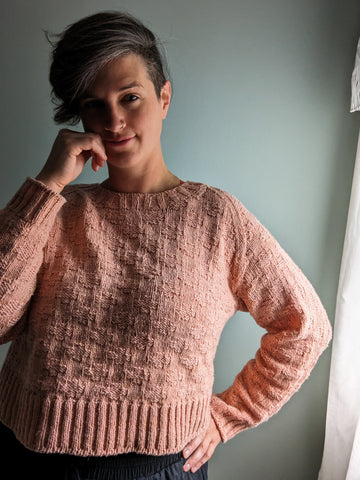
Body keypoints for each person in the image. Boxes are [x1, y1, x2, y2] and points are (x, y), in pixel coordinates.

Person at [0, 10, 332, 480]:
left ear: (164, 98)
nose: (113, 119)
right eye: (94, 104)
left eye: (130, 97)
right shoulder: (53, 210)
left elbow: (305, 327)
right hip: (28, 451)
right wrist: (47, 184)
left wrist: (226, 417)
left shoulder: (216, 218)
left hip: (157, 466)